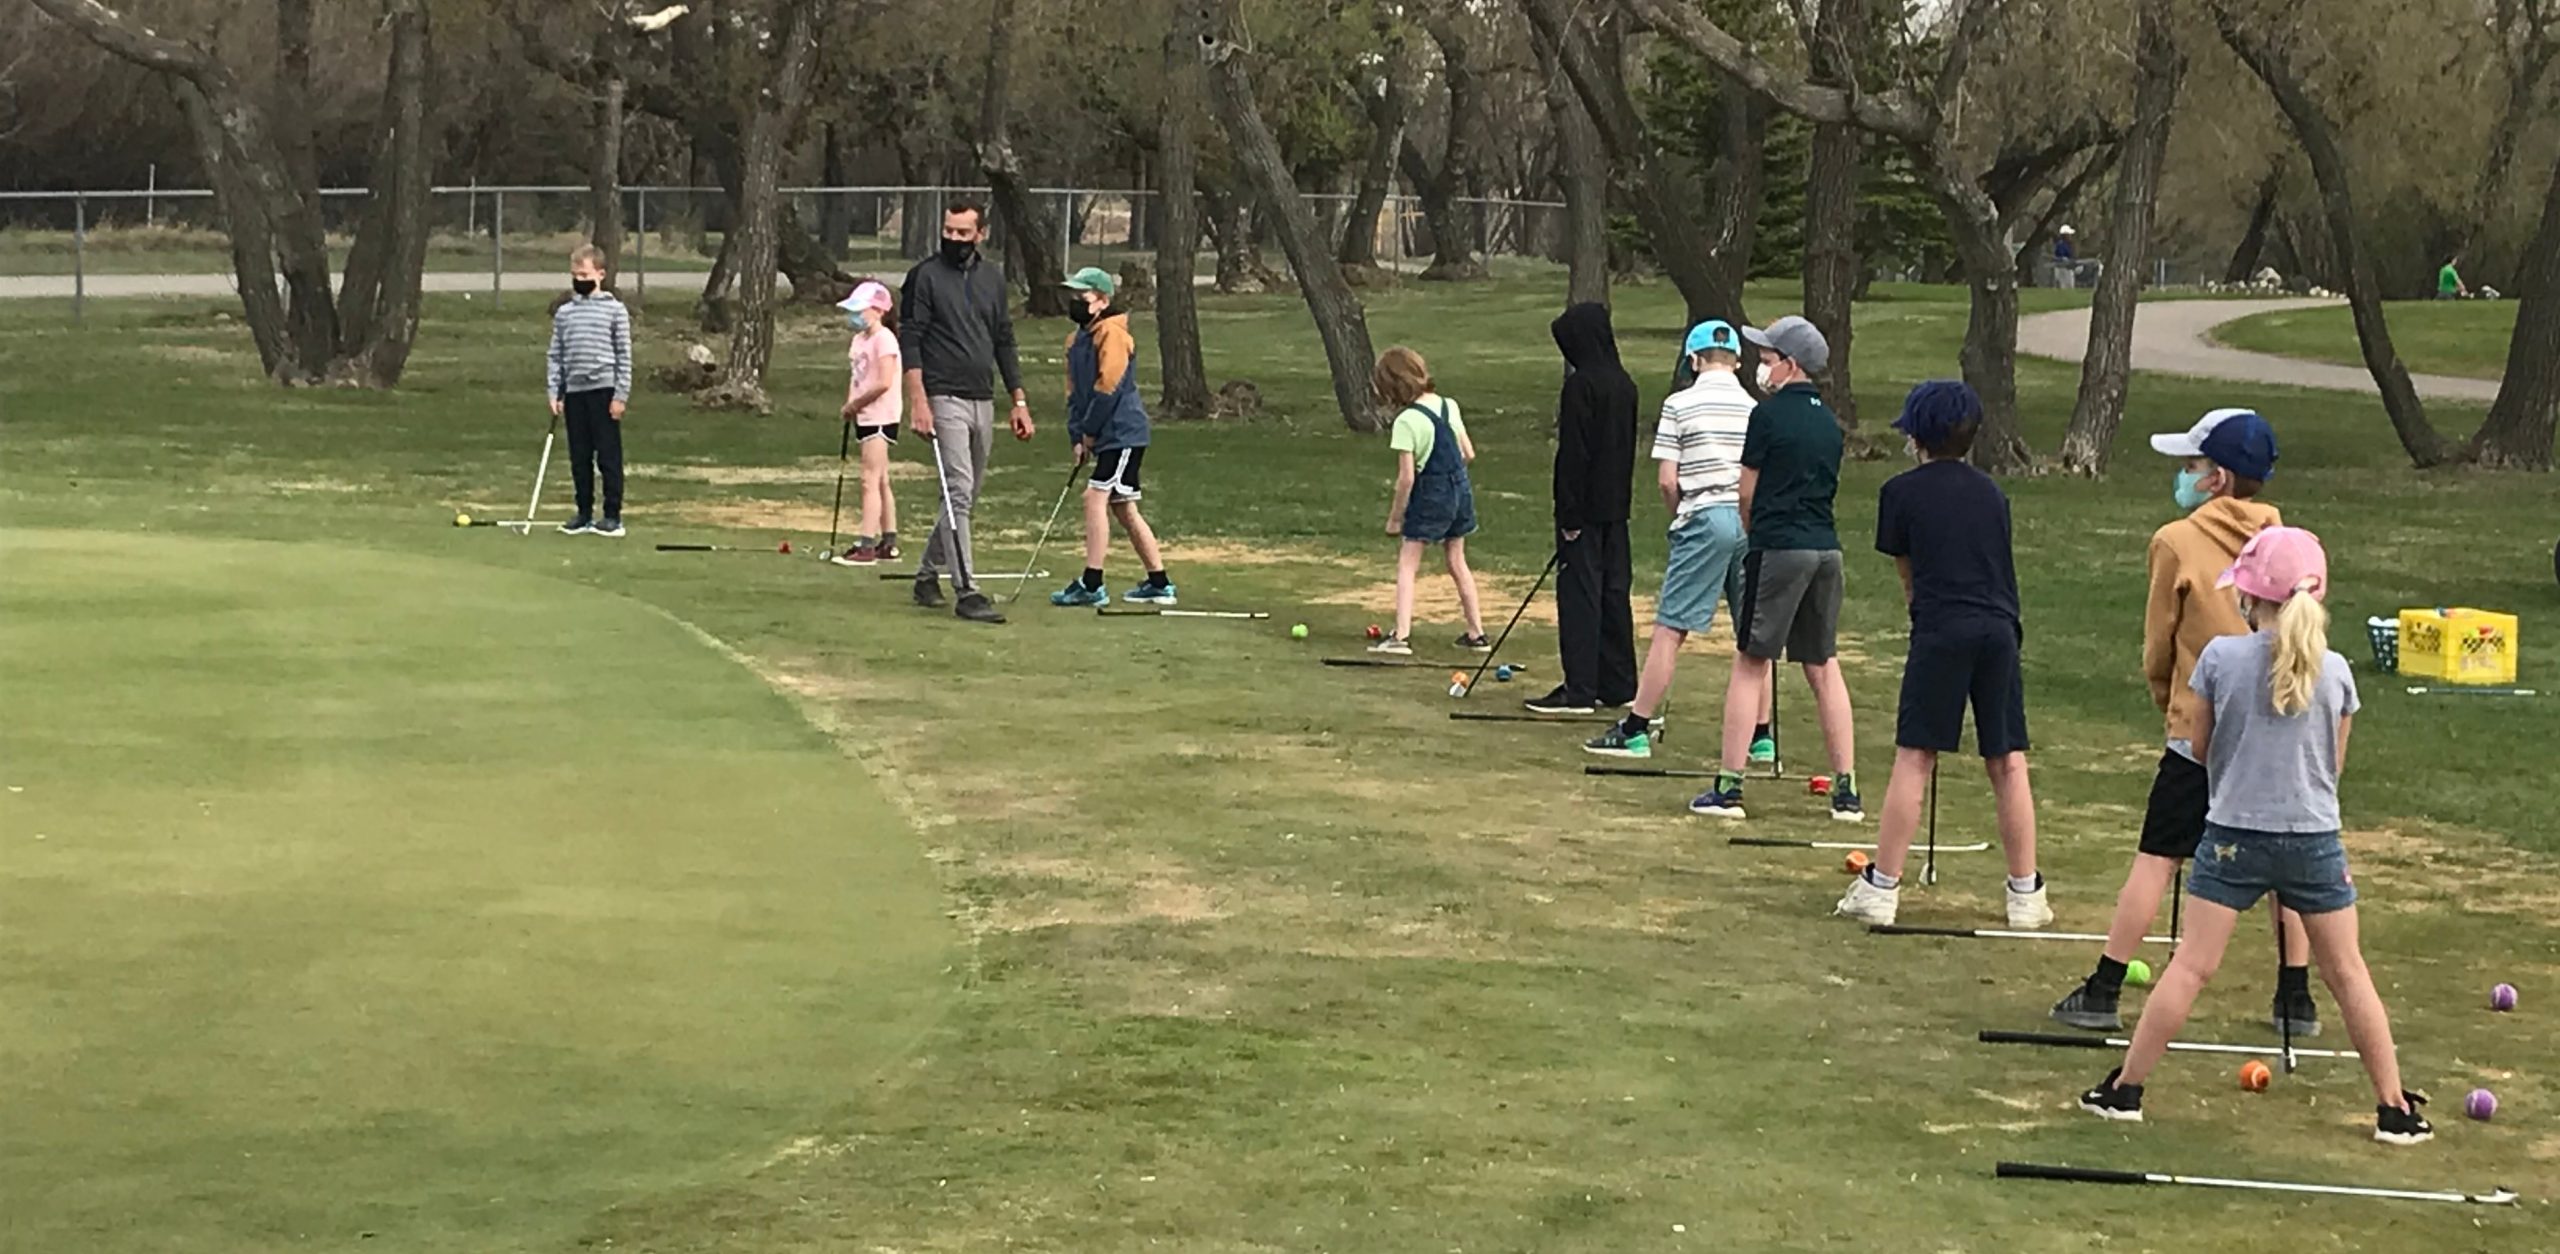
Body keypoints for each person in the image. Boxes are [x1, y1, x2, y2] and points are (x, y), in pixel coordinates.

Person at [2078, 526, 2432, 1147]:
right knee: (2347, 971)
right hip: (2314, 840)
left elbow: (2201, 747)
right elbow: (2333, 765)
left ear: (2250, 599)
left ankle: (2125, 1089)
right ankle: (2394, 1107)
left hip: (2233, 836)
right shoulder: (2338, 672)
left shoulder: (2219, 659)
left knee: (2191, 965)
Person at [2050, 408, 2324, 1036]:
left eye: (2191, 466)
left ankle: (2104, 987)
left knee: (2158, 856)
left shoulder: (2176, 540)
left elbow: (2159, 643)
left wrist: (2166, 698)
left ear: (2217, 479)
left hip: (2197, 728)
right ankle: (2295, 996)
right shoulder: (2291, 544)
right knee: (2287, 861)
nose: (2182, 475)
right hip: (2280, 729)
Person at [1832, 382, 2049, 928]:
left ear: (1917, 436)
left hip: (1942, 628)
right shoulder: (1993, 494)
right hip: (1999, 628)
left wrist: (1924, 617)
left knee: (1916, 754)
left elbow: (1908, 574)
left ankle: (1882, 886)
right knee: (2007, 758)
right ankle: (2026, 894)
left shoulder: (1900, 493)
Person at [1690, 316, 1860, 822]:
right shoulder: (1830, 423)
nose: (1761, 368)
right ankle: (1846, 790)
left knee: (1751, 661)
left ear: (1790, 365)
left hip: (1778, 547)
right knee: (1823, 664)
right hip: (1826, 550)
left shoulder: (1766, 418)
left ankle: (1729, 785)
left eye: (1767, 360)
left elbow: (1746, 491)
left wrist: (1753, 529)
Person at [1584, 320, 1754, 759]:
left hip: (1703, 516)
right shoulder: (1755, 407)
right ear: (1736, 360)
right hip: (1749, 520)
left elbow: (1666, 480)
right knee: (1753, 636)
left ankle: (1636, 727)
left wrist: (1679, 515)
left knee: (1670, 628)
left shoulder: (1679, 404)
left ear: (1694, 360)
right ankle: (1761, 737)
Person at [901, 199, 1032, 625]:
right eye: (949, 231)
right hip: (943, 397)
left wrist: (1019, 400)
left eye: (962, 232)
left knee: (967, 494)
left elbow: (1004, 340)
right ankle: (967, 590)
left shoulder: (992, 279)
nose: (954, 239)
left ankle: (926, 574)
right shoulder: (924, 277)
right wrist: (918, 401)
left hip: (982, 397)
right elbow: (913, 339)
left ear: (980, 234)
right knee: (957, 489)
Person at [1529, 302, 1637, 715]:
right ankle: (1618, 681)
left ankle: (1580, 687)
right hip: (1616, 509)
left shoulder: (1581, 387)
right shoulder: (1624, 384)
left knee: (1581, 596)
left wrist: (1569, 514)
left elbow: (1574, 455)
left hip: (1585, 511)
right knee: (1614, 592)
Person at [1048, 267, 1173, 608]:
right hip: (1103, 434)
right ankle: (1159, 582)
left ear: (1102, 301)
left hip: (1123, 432)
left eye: (1082, 297)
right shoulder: (1075, 341)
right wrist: (1077, 436)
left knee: (1094, 497)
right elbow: (1075, 394)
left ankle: (1092, 582)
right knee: (1124, 509)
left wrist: (1090, 431)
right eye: (1072, 296)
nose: (1074, 302)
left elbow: (1109, 387)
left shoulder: (1113, 334)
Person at [1371, 347, 1488, 656]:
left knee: (1408, 564)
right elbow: (1468, 453)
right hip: (1460, 489)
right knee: (1457, 561)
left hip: (1430, 493)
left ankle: (1401, 635)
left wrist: (1396, 517)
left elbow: (1407, 478)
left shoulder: (1407, 421)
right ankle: (1476, 632)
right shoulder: (1448, 405)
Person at [548, 244, 633, 538]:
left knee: (607, 456)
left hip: (604, 391)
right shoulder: (565, 313)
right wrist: (555, 391)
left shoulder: (615, 310)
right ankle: (583, 513)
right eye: (575, 274)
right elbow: (556, 355)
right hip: (574, 392)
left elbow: (624, 355)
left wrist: (620, 395)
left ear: (600, 274)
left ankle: (612, 516)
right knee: (579, 456)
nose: (579, 279)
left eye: (584, 274)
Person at [831, 280, 902, 567]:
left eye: (860, 309)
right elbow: (858, 378)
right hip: (864, 415)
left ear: (878, 310)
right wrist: (851, 405)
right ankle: (888, 542)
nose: (855, 315)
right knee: (881, 478)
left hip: (880, 416)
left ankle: (867, 545)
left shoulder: (884, 339)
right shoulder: (859, 340)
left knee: (869, 479)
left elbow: (883, 382)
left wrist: (857, 404)